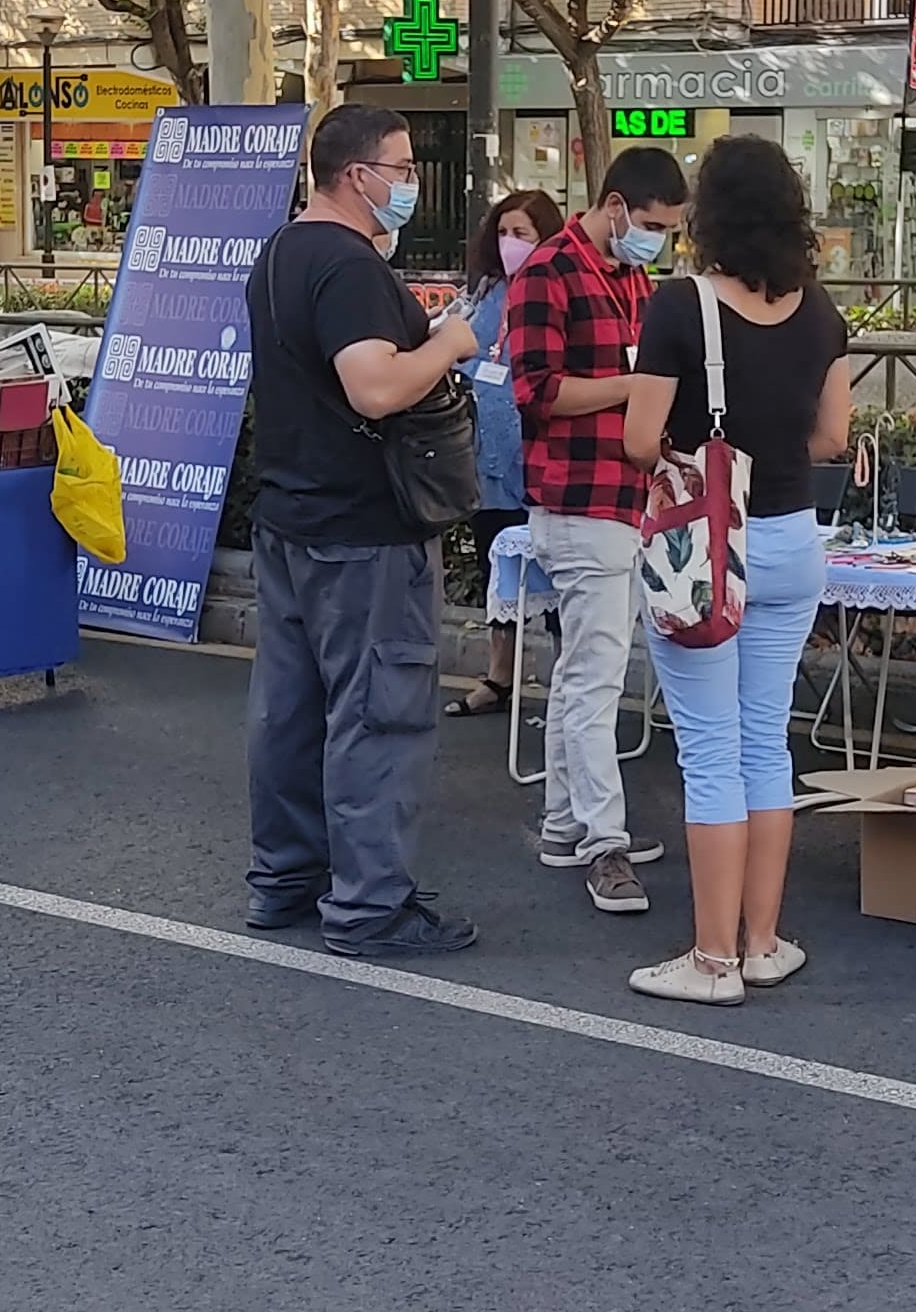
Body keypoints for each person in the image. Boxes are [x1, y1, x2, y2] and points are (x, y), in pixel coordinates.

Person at [241, 104, 487, 958]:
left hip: (288, 515)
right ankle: (370, 906)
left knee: (291, 710)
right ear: (356, 175)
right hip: (364, 527)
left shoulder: (277, 253)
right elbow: (375, 389)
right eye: (403, 165)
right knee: (377, 714)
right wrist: (449, 342)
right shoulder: (344, 265)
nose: (411, 181)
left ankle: (285, 880)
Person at [619, 135, 853, 1005]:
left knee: (710, 749)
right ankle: (762, 941)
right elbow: (832, 438)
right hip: (794, 539)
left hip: (709, 548)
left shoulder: (680, 308)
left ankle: (711, 961)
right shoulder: (820, 309)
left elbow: (642, 440)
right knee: (765, 742)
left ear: (707, 215)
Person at [504, 146, 692, 917]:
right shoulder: (547, 272)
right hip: (577, 503)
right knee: (595, 679)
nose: (658, 240)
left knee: (585, 668)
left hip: (622, 498)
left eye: (668, 230)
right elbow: (536, 393)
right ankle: (603, 844)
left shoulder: (631, 276)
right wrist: (636, 384)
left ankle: (561, 825)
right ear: (615, 206)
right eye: (650, 224)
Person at [445, 187, 563, 721]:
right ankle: (500, 675)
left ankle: (566, 680)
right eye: (504, 233)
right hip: (490, 456)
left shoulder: (559, 289)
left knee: (559, 577)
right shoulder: (488, 291)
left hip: (543, 456)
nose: (511, 244)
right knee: (500, 567)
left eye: (524, 234)